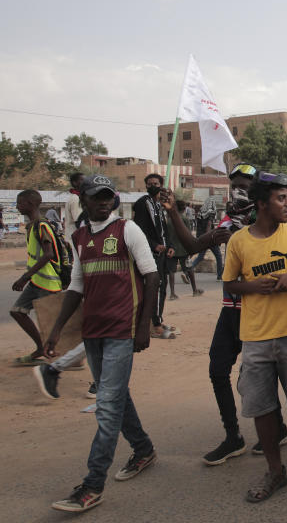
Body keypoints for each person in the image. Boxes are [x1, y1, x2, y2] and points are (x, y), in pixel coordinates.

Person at [161, 163, 287, 466]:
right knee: (218, 370)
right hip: (230, 311)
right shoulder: (226, 224)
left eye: (245, 183)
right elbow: (193, 245)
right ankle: (233, 436)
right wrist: (172, 212)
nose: (238, 188)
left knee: (257, 376)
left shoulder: (272, 225)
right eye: (234, 183)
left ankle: (278, 428)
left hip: (258, 313)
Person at [43, 174, 160, 513]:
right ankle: (143, 449)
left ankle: (92, 485)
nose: (104, 202)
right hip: (92, 332)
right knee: (116, 396)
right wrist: (55, 330)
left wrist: (144, 327)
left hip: (122, 330)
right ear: (84, 200)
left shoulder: (127, 230)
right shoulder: (79, 237)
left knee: (107, 407)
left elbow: (151, 276)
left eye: (109, 196)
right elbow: (77, 285)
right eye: (97, 197)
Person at [222, 171, 287, 503]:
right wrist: (252, 286)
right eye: (282, 198)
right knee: (261, 406)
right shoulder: (239, 240)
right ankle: (276, 470)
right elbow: (230, 284)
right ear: (261, 204)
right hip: (254, 337)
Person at [10, 189, 64, 366]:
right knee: (17, 311)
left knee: (52, 323)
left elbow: (48, 254)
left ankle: (70, 359)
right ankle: (41, 348)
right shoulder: (32, 226)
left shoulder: (41, 225)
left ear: (30, 204)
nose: (17, 206)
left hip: (48, 283)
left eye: (20, 203)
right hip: (37, 282)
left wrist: (25, 277)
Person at [132, 173, 175, 339]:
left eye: (156, 183)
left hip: (163, 253)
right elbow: (139, 229)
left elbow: (164, 229)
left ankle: (158, 319)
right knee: (154, 286)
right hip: (151, 253)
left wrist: (170, 246)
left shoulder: (159, 205)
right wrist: (153, 245)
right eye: (149, 184)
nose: (152, 186)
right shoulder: (143, 204)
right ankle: (154, 324)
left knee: (162, 286)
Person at [166, 200, 203, 300]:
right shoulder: (185, 219)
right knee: (189, 269)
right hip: (184, 249)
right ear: (184, 208)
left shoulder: (169, 220)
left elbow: (167, 235)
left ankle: (172, 293)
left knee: (171, 271)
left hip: (171, 249)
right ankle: (194, 290)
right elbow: (188, 235)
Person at [187, 197, 224, 279]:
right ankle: (219, 275)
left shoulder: (200, 212)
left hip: (201, 237)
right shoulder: (210, 212)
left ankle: (189, 271)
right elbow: (209, 224)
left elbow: (198, 226)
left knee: (201, 256)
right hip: (209, 238)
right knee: (218, 256)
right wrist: (209, 236)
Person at [63, 172, 85, 238]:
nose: (85, 183)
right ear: (75, 183)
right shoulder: (76, 199)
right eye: (82, 180)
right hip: (75, 240)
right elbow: (79, 222)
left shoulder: (78, 197)